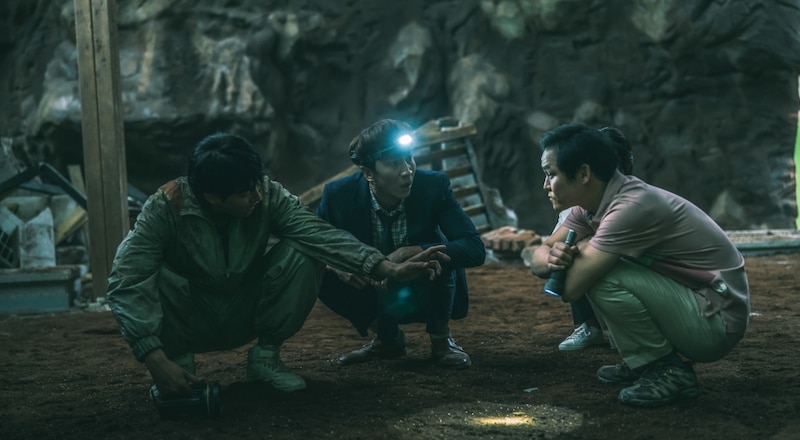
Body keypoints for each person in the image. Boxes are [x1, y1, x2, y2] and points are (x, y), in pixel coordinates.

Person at [107, 132, 449, 400]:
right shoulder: (166, 207)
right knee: (148, 272)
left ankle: (265, 360)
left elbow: (318, 234)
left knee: (306, 248)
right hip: (187, 317)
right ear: (212, 197)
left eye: (258, 183)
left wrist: (384, 267)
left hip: (246, 309)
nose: (256, 196)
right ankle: (178, 365)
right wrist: (154, 358)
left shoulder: (266, 194)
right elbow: (125, 280)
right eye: (244, 193)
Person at [530, 123, 750, 407]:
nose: (545, 185)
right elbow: (540, 256)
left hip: (717, 320)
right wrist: (550, 257)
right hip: (696, 303)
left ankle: (667, 370)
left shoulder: (631, 206)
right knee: (600, 264)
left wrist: (576, 250)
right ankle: (644, 362)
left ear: (584, 173)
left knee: (602, 275)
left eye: (551, 174)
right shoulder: (588, 206)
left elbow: (571, 289)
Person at [316, 119, 486, 369]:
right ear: (368, 173)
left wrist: (414, 251)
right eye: (394, 163)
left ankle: (441, 340)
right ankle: (387, 339)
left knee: (436, 252)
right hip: (370, 287)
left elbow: (474, 248)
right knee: (322, 276)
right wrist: (338, 264)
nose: (407, 170)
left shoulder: (433, 186)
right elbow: (313, 243)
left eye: (409, 159)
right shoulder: (337, 195)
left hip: (422, 286)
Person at [555, 127, 634, 351]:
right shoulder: (578, 206)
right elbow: (551, 249)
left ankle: (629, 331)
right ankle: (589, 326)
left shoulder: (633, 200)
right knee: (573, 249)